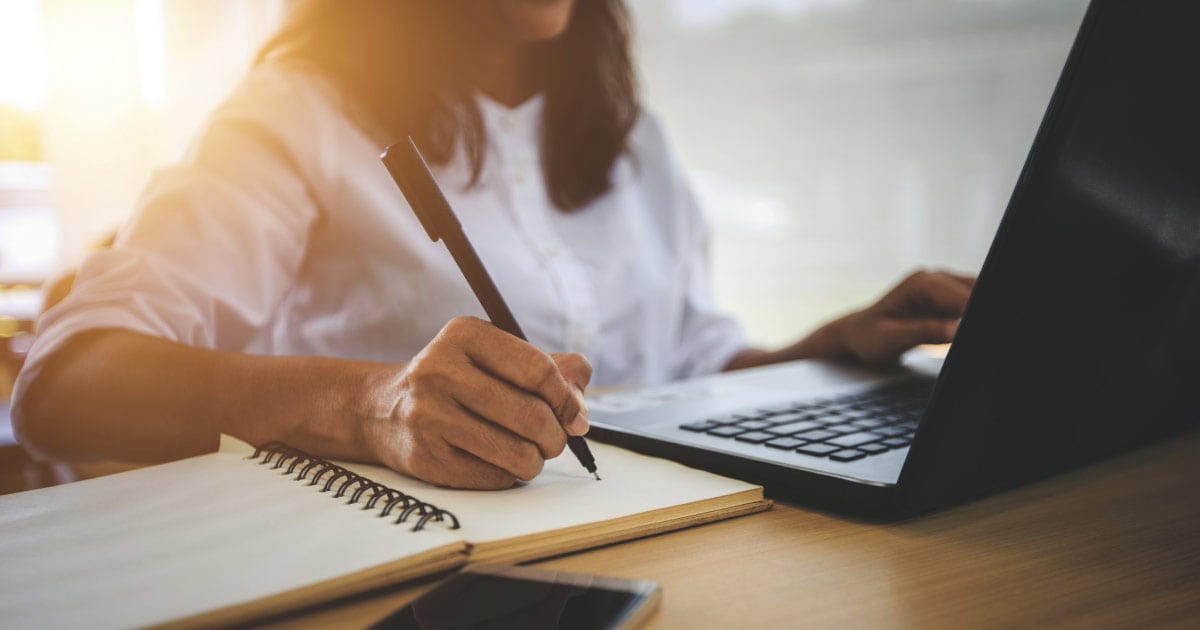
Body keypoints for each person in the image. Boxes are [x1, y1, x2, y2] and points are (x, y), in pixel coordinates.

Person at [11, 0, 974, 490]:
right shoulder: (291, 119)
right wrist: (370, 403)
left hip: (659, 551)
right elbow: (63, 381)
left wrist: (828, 347)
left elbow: (686, 365)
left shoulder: (629, 137)